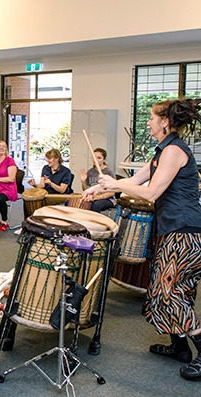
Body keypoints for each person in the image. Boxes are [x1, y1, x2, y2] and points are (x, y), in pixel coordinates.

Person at [83, 99, 201, 381]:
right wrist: (97, 192)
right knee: (167, 291)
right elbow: (134, 182)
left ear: (165, 122)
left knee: (170, 293)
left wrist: (113, 184)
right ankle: (180, 347)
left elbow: (151, 193)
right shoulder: (161, 152)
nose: (148, 122)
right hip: (172, 230)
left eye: (151, 118)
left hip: (185, 232)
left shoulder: (174, 151)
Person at [79, 147, 116, 212]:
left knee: (96, 206)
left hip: (107, 199)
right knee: (80, 204)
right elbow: (86, 189)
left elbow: (112, 192)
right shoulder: (90, 172)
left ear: (104, 159)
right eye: (94, 157)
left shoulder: (109, 172)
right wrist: (83, 181)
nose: (95, 160)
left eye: (99, 158)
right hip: (93, 198)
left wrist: (99, 197)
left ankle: (93, 221)